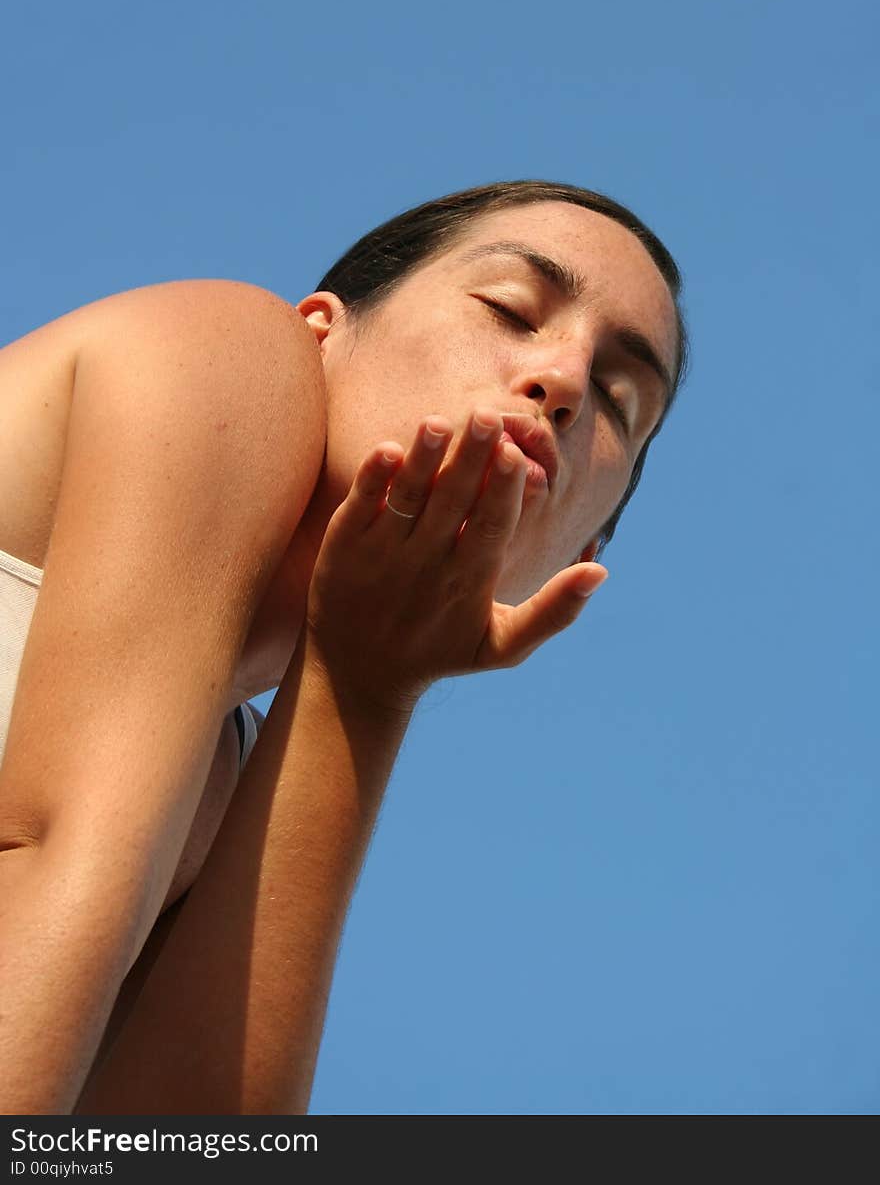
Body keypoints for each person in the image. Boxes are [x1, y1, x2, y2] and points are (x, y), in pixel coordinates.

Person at [0, 179, 690, 1114]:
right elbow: (46, 853)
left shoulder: (221, 797)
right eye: (511, 310)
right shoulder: (231, 346)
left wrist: (363, 693)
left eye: (617, 400)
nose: (563, 382)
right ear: (322, 328)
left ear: (585, 547)